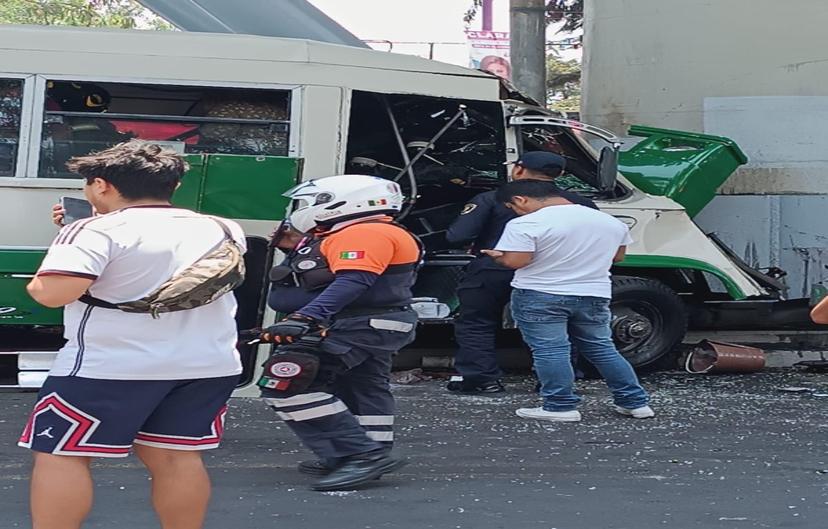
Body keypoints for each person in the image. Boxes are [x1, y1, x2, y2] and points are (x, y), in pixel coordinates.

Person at [20, 141, 246, 529]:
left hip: (109, 366)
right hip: (207, 365)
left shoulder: (93, 231)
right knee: (175, 457)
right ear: (172, 186)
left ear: (102, 185)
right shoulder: (224, 228)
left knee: (61, 454)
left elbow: (54, 294)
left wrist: (53, 262)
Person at [259, 174, 420, 491]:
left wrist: (306, 316)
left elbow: (354, 280)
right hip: (366, 324)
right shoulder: (353, 232)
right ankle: (367, 451)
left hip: (355, 324)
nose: (297, 211)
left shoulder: (366, 233)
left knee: (287, 382)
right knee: (361, 387)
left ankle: (358, 454)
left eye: (304, 204)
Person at [483, 179, 653, 422]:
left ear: (521, 199)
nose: (515, 211)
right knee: (602, 349)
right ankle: (635, 403)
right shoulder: (609, 221)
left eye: (513, 206)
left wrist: (498, 257)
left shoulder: (525, 223)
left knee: (551, 351)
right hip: (594, 293)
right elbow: (618, 257)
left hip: (540, 294)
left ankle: (560, 406)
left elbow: (515, 262)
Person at [445, 152, 597, 394]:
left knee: (476, 322)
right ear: (560, 174)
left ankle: (482, 379)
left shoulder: (491, 199)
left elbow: (457, 235)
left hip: (493, 269)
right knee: (554, 325)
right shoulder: (581, 203)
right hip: (552, 272)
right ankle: (557, 379)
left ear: (518, 170)